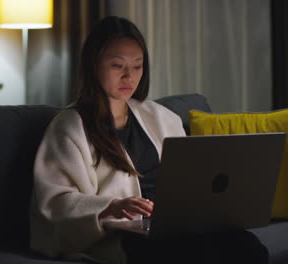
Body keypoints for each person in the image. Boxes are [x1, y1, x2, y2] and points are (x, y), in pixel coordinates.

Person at [29, 16, 268, 264]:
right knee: (201, 252)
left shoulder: (160, 117)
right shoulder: (70, 126)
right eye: (117, 65)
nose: (128, 76)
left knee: (246, 245)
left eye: (137, 66)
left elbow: (191, 179)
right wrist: (110, 206)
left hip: (174, 224)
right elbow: (54, 203)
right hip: (120, 235)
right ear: (93, 64)